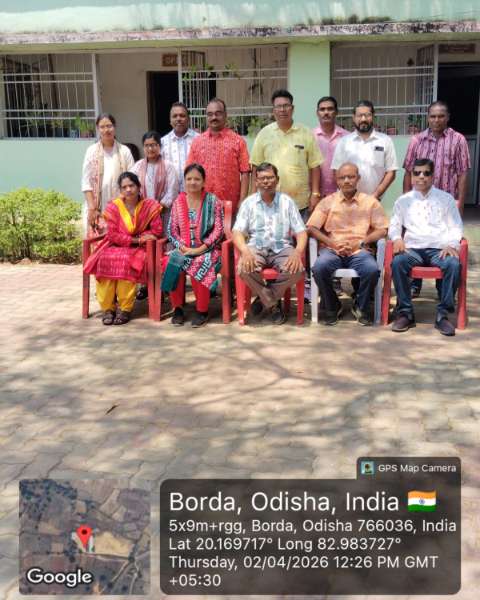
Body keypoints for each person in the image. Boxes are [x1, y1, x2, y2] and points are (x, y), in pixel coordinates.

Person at [402, 100, 470, 297]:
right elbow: (408, 172)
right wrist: (406, 200)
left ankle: (443, 289)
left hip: (445, 205)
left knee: (444, 243)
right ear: (428, 118)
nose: (436, 120)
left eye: (441, 116)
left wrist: (460, 203)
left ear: (447, 118)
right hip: (419, 203)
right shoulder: (417, 140)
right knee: (417, 239)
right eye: (433, 116)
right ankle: (415, 285)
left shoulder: (458, 140)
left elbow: (463, 174)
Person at [389, 158, 463, 337]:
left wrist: (452, 244)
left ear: (433, 176)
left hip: (439, 250)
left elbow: (456, 226)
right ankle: (405, 313)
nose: (421, 176)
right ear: (412, 175)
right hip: (413, 250)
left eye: (426, 173)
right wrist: (397, 238)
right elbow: (394, 225)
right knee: (398, 263)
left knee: (453, 264)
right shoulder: (403, 201)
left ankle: (442, 315)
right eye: (417, 173)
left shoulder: (445, 199)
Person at [308, 163, 388, 326]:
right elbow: (311, 227)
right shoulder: (327, 201)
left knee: (372, 270)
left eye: (351, 177)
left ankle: (361, 305)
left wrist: (361, 243)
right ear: (336, 180)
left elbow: (383, 229)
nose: (346, 181)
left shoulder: (370, 202)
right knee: (319, 268)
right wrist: (332, 243)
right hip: (333, 250)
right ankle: (332, 305)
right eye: (342, 177)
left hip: (359, 250)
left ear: (358, 178)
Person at [83, 172, 163, 325]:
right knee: (104, 259)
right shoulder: (114, 207)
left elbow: (157, 231)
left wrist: (141, 239)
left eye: (131, 185)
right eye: (124, 187)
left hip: (140, 248)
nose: (128, 190)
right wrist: (137, 238)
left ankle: (125, 308)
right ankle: (108, 309)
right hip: (116, 244)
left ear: (138, 187)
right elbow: (112, 235)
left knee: (126, 261)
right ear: (120, 190)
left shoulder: (149, 206)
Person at [232, 162, 307, 325]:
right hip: (256, 247)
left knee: (298, 270)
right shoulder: (249, 203)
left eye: (270, 178)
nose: (266, 181)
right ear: (256, 182)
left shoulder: (287, 202)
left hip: (282, 248)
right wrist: (245, 251)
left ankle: (263, 298)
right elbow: (237, 231)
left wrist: (297, 252)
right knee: (243, 268)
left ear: (277, 180)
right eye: (262, 178)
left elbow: (301, 231)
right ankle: (273, 303)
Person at [162, 163, 224, 328]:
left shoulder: (213, 201)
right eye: (189, 179)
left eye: (197, 179)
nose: (192, 182)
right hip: (183, 248)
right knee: (171, 262)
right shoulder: (178, 201)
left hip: (207, 249)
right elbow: (171, 230)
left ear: (204, 182)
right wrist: (182, 247)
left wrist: (199, 249)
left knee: (200, 262)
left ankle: (202, 310)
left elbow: (218, 230)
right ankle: (177, 308)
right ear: (184, 181)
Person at [251, 89, 323, 220]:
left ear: (292, 108)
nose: (282, 110)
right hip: (270, 202)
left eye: (286, 106)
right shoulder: (264, 134)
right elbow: (256, 166)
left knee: (301, 233)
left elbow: (315, 166)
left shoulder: (305, 133)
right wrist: (254, 196)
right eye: (278, 106)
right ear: (273, 110)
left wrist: (315, 194)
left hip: (301, 204)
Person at [186, 98, 250, 213]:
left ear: (225, 115)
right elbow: (189, 173)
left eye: (218, 113)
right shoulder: (197, 142)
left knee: (229, 226)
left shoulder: (238, 141)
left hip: (229, 206)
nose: (214, 117)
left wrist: (243, 200)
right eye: (210, 114)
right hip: (203, 205)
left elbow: (245, 172)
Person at [331, 100, 398, 200]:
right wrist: (348, 195)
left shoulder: (385, 141)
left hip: (376, 200)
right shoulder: (344, 142)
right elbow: (336, 171)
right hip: (348, 200)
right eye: (359, 115)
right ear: (354, 118)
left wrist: (375, 196)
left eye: (367, 115)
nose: (363, 119)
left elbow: (391, 172)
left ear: (373, 116)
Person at [81, 113, 134, 236]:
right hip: (97, 207)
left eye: (109, 126)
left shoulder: (124, 151)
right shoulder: (91, 151)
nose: (106, 130)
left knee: (119, 242)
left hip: (121, 206)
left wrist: (118, 204)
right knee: (98, 243)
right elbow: (86, 182)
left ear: (114, 127)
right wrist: (92, 208)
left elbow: (132, 180)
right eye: (102, 127)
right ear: (98, 129)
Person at [313, 96, 349, 199]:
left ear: (336, 112)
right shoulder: (310, 137)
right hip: (316, 194)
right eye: (322, 109)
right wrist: (314, 193)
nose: (326, 112)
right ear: (317, 113)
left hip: (341, 193)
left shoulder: (347, 137)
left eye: (330, 109)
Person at [161, 102, 199, 192]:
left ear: (188, 119)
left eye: (182, 116)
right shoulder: (162, 142)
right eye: (175, 116)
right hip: (170, 194)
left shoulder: (198, 139)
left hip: (195, 192)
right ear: (170, 120)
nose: (178, 119)